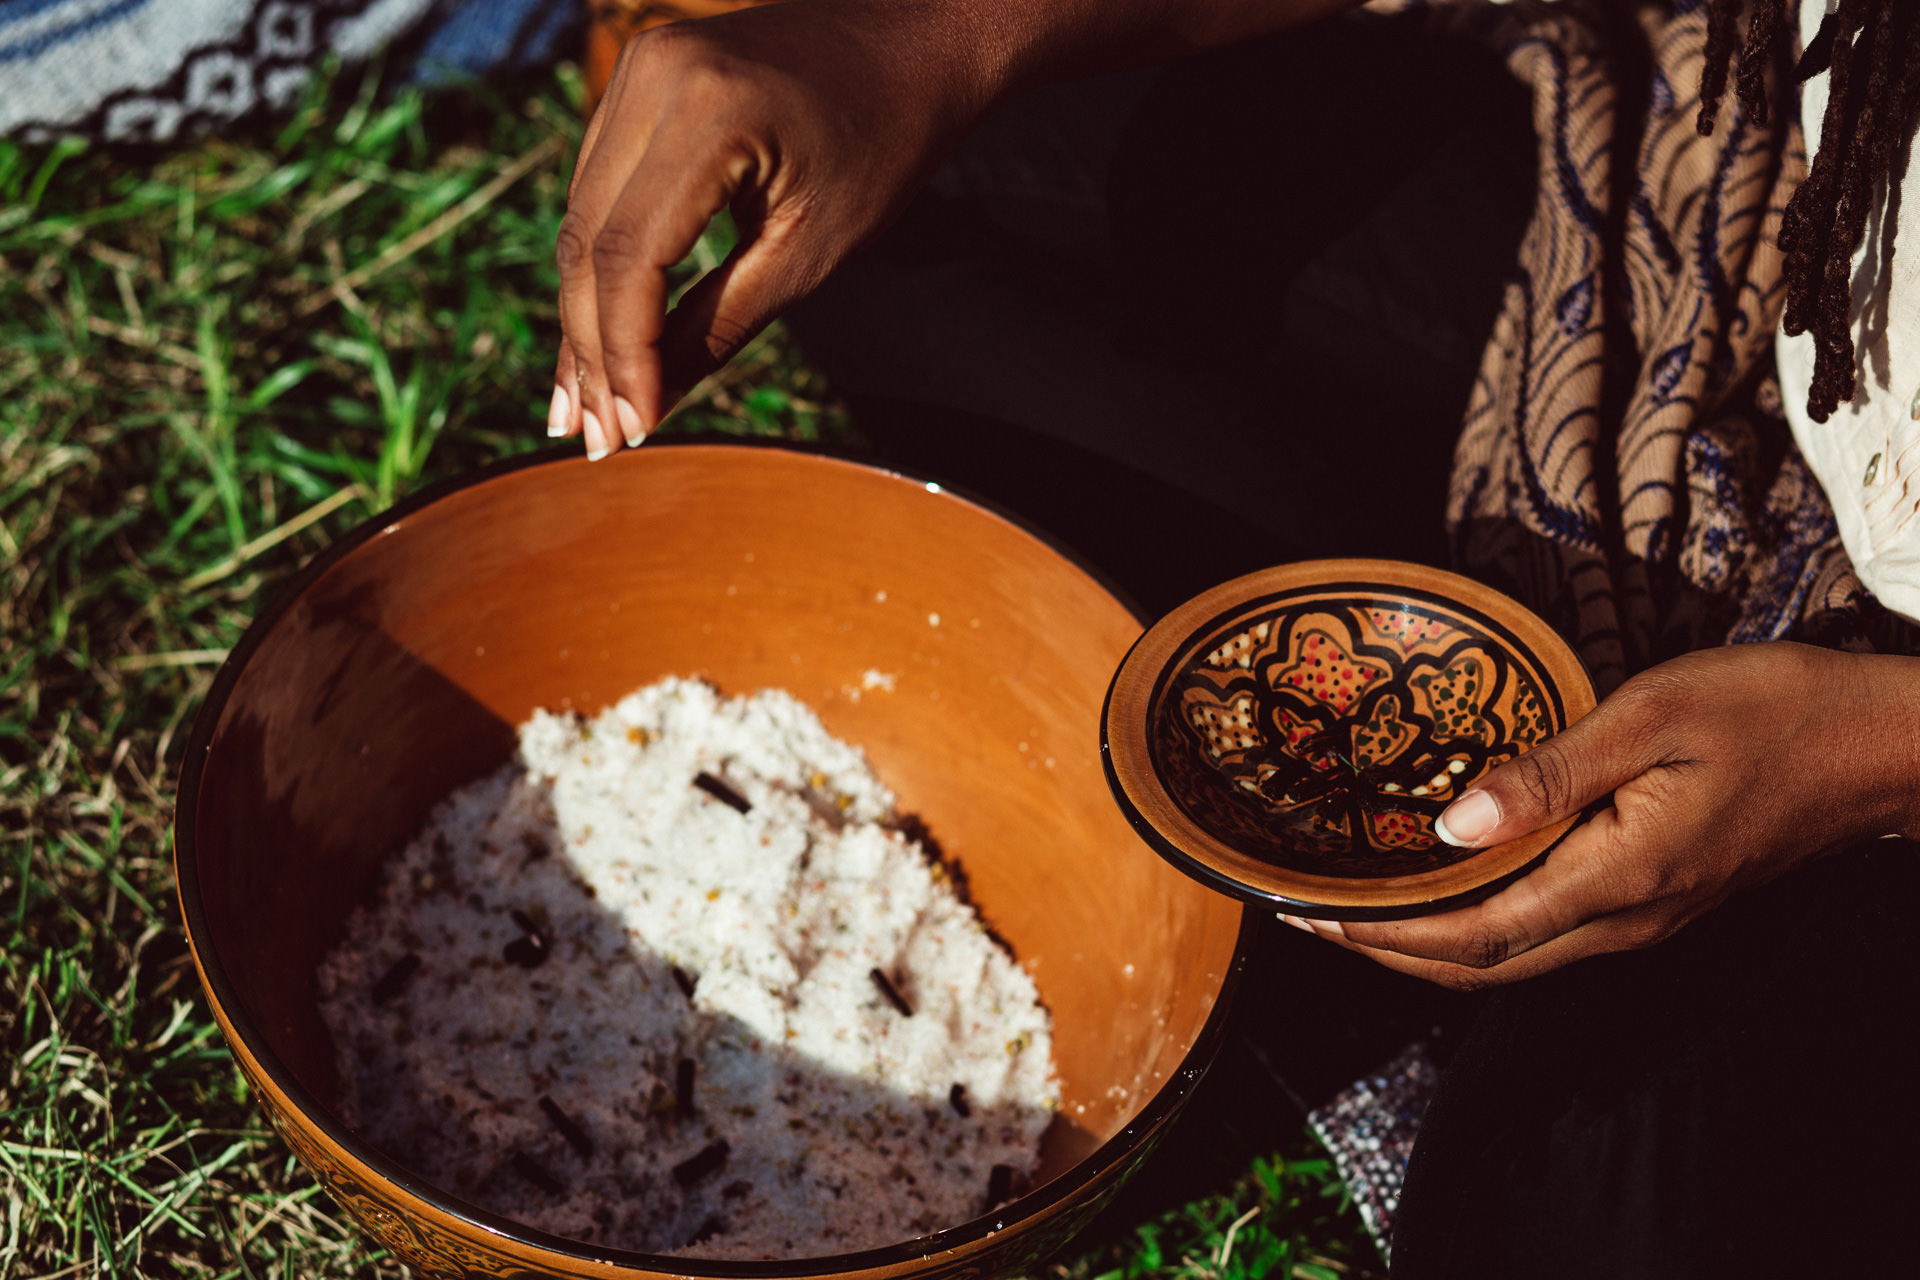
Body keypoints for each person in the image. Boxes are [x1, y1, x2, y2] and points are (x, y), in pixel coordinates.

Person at [548, 0, 1920, 1271]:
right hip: (1750, 202)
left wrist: (1868, 752)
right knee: (885, 196)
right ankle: (1473, 535)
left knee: (1558, 1208)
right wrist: (932, 44)